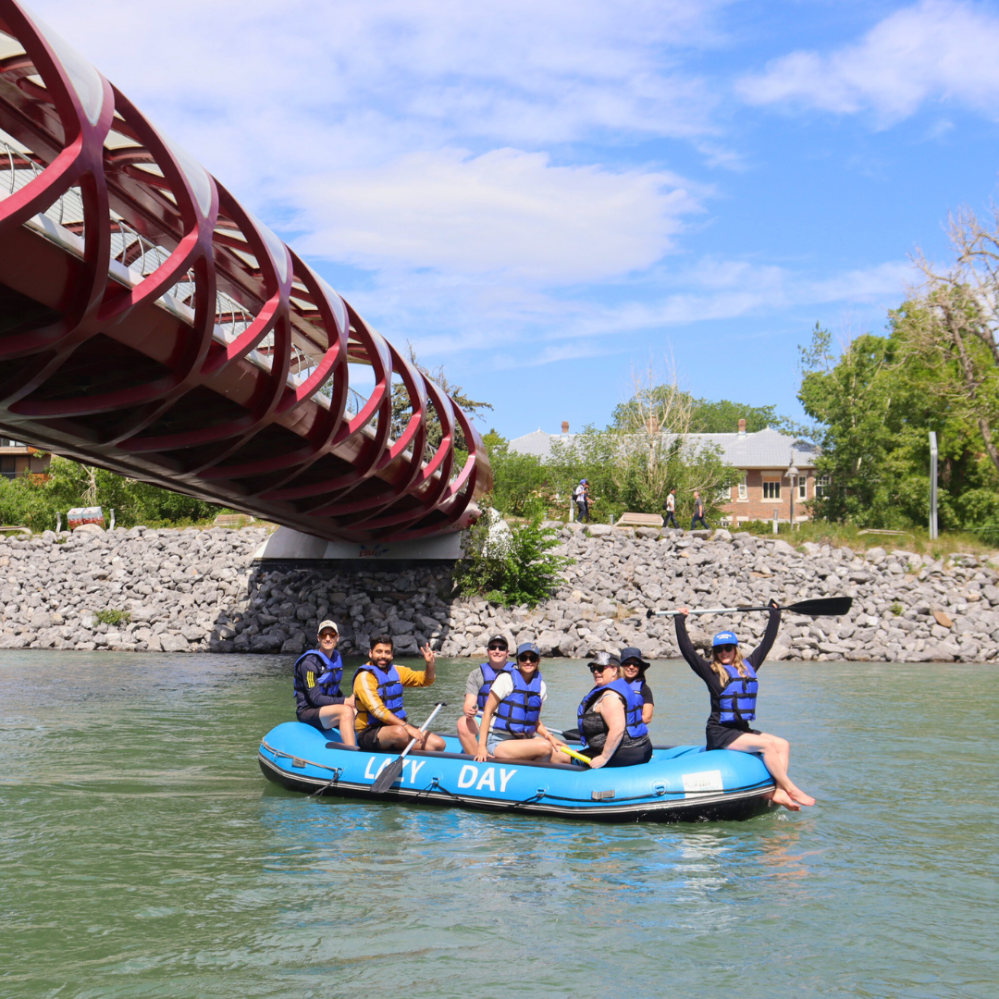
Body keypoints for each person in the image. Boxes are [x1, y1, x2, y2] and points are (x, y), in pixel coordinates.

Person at [675, 602, 815, 810]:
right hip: (720, 732)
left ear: (735, 649)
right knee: (767, 746)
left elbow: (767, 643)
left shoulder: (749, 666)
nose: (724, 652)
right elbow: (688, 652)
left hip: (741, 730)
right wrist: (680, 621)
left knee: (783, 744)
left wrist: (774, 614)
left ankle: (779, 791)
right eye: (719, 649)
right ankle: (790, 788)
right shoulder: (710, 671)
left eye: (728, 648)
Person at [352, 635, 446, 752]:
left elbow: (425, 680)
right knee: (400, 732)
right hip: (369, 732)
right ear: (371, 653)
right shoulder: (364, 677)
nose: (383, 656)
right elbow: (378, 710)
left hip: (396, 727)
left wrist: (430, 664)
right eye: (379, 652)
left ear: (392, 655)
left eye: (387, 652)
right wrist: (406, 727)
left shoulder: (397, 671)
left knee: (439, 744)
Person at [474, 642, 564, 763]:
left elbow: (534, 721)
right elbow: (487, 713)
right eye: (523, 658)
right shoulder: (505, 679)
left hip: (524, 741)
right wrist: (481, 747)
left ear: (538, 661)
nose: (528, 662)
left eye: (532, 658)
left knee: (564, 753)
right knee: (545, 746)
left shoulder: (541, 686)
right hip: (499, 741)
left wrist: (550, 736)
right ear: (518, 660)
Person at [572, 652, 653, 768]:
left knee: (562, 758)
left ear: (614, 671)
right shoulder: (619, 687)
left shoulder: (610, 697)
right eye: (593, 668)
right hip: (636, 749)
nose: (596, 671)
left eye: (601, 668)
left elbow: (617, 729)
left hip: (627, 752)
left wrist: (604, 757)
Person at [292, 620, 356, 746]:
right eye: (323, 635)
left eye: (331, 635)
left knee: (358, 710)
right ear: (318, 638)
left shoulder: (335, 658)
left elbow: (333, 690)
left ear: (337, 637)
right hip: (309, 711)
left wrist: (351, 702)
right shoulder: (308, 664)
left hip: (328, 709)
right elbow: (315, 698)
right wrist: (345, 702)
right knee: (346, 711)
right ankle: (353, 753)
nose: (327, 638)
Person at [456, 634, 514, 754]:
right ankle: (479, 760)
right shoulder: (476, 674)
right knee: (462, 722)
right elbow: (469, 702)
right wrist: (469, 710)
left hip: (507, 721)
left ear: (507, 652)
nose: (497, 651)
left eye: (501, 648)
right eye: (493, 647)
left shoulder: (517, 673)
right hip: (482, 718)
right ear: (488, 651)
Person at [619, 646, 654, 724]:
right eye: (627, 663)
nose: (631, 667)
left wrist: (624, 725)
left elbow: (647, 718)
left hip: (632, 732)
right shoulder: (611, 686)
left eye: (636, 664)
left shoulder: (644, 689)